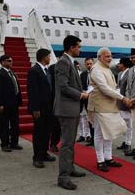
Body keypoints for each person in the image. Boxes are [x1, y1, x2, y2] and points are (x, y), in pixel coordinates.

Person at [87, 47, 131, 172]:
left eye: (110, 56)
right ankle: (100, 161)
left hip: (110, 106)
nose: (109, 58)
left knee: (109, 133)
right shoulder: (96, 69)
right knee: (100, 135)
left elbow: (113, 87)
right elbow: (104, 88)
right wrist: (122, 98)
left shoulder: (106, 69)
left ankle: (108, 158)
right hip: (100, 107)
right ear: (99, 57)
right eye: (106, 56)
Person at [54, 35, 89, 190]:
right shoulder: (63, 62)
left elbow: (70, 84)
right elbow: (63, 86)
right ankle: (63, 177)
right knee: (67, 144)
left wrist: (80, 91)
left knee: (70, 143)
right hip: (67, 109)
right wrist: (80, 94)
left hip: (71, 108)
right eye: (79, 46)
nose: (80, 49)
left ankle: (70, 169)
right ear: (71, 47)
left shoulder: (69, 62)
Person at [27, 49, 56, 168]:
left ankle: (44, 153)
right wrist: (35, 109)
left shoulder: (46, 71)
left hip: (48, 108)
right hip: (39, 109)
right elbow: (32, 91)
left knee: (46, 132)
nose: (50, 58)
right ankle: (37, 157)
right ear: (44, 57)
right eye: (48, 56)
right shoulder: (34, 71)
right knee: (39, 133)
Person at [0, 54, 23, 152]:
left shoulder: (12, 73)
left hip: (14, 103)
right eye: (9, 61)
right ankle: (4, 144)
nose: (11, 62)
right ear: (2, 62)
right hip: (4, 104)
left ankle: (14, 143)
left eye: (11, 60)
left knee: (15, 124)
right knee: (4, 125)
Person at [116, 58, 133, 153]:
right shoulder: (119, 74)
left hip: (127, 101)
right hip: (121, 102)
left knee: (129, 124)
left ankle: (128, 143)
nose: (118, 65)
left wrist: (130, 102)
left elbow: (130, 88)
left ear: (124, 64)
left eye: (120, 64)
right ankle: (124, 141)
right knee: (123, 124)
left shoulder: (129, 73)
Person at [77, 58, 94, 146]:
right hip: (84, 99)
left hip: (94, 99)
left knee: (93, 120)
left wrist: (87, 92)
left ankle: (93, 137)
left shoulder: (96, 73)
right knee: (85, 118)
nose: (89, 65)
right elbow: (80, 85)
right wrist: (83, 91)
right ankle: (88, 136)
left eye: (90, 64)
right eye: (87, 64)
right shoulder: (83, 74)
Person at [48, 59, 61, 152]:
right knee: (55, 124)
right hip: (54, 100)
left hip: (63, 101)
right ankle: (53, 143)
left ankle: (55, 142)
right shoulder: (52, 68)